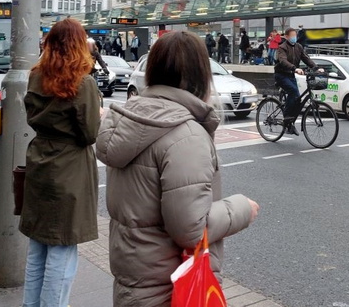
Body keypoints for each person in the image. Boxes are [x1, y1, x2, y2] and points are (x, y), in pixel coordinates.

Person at [96, 31, 259, 306]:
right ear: (199, 75)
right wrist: (242, 208)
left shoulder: (133, 120)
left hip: (133, 282)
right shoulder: (186, 135)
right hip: (171, 289)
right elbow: (190, 230)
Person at [20, 18, 102, 307]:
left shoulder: (35, 76)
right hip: (69, 168)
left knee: (38, 246)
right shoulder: (83, 83)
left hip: (40, 160)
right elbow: (90, 133)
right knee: (62, 249)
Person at [275, 27, 322, 136]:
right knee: (293, 92)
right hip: (281, 75)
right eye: (292, 36)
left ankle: (290, 123)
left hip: (291, 75)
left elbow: (306, 58)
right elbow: (283, 61)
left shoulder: (298, 47)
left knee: (297, 99)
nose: (294, 38)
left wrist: (316, 67)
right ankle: (286, 118)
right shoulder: (282, 47)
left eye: (295, 35)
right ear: (286, 37)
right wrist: (294, 68)